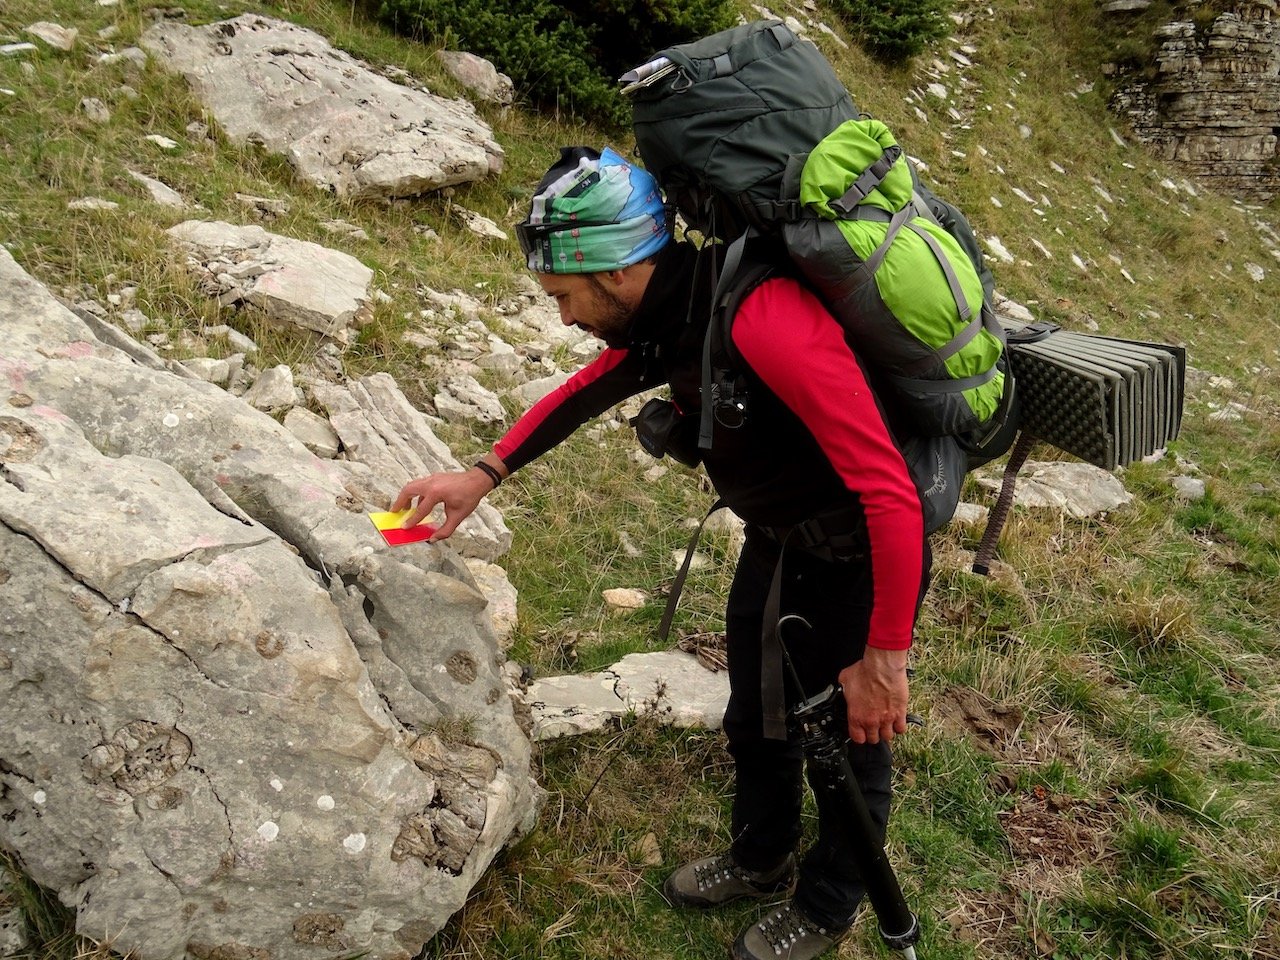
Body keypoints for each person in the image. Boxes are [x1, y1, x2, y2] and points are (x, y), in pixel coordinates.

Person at [392, 146, 930, 960]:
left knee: (849, 743)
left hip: (858, 555)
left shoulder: (762, 318)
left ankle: (828, 906)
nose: (564, 317)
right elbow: (586, 389)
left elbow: (890, 494)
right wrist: (484, 472)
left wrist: (886, 656)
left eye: (565, 296)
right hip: (778, 540)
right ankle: (759, 855)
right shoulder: (670, 315)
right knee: (756, 714)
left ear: (613, 272)